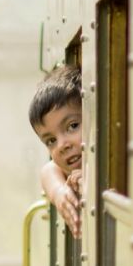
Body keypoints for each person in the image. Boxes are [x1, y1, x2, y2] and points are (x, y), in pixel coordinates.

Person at [28, 65, 83, 238]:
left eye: (73, 126)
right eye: (51, 141)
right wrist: (59, 192)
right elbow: (48, 170)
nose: (62, 145)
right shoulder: (66, 171)